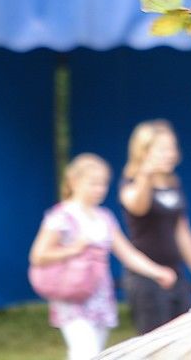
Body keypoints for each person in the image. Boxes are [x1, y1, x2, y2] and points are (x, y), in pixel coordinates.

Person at [29, 153, 177, 360]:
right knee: (85, 353)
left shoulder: (104, 217)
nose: (99, 190)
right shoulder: (60, 216)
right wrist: (74, 249)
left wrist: (157, 272)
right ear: (74, 182)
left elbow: (127, 253)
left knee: (95, 353)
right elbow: (38, 255)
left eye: (103, 184)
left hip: (100, 299)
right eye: (93, 184)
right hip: (73, 299)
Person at [118, 119, 191, 334]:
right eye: (162, 149)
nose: (170, 153)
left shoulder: (173, 183)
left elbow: (182, 232)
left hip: (175, 274)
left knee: (182, 337)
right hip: (145, 277)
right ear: (143, 152)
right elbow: (137, 206)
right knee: (154, 342)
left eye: (172, 147)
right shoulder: (131, 183)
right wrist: (145, 174)